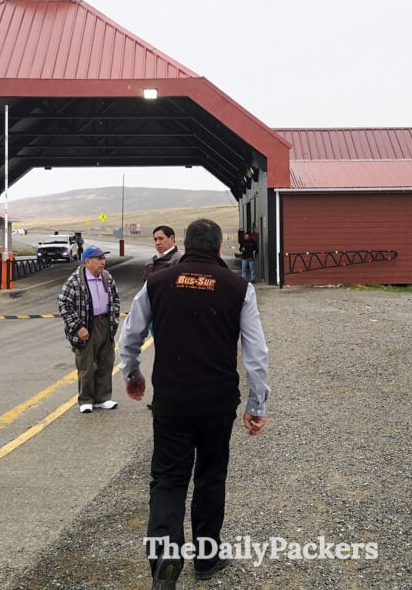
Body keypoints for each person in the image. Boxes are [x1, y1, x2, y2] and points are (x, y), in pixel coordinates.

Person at [119, 219, 270, 589]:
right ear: (220, 248)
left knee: (168, 480)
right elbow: (256, 353)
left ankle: (166, 559)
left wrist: (132, 373)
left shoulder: (156, 283)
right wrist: (257, 404)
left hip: (172, 400)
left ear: (184, 245)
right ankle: (206, 557)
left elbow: (131, 335)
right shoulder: (239, 288)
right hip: (217, 403)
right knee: (210, 476)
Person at [58, 245, 121, 413]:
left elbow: (115, 298)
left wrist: (113, 320)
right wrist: (78, 327)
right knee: (86, 364)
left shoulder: (106, 277)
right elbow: (64, 303)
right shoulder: (75, 281)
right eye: (99, 259)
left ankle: (103, 398)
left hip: (105, 323)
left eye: (103, 258)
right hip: (86, 326)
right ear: (88, 262)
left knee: (106, 362)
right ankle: (86, 399)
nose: (103, 262)